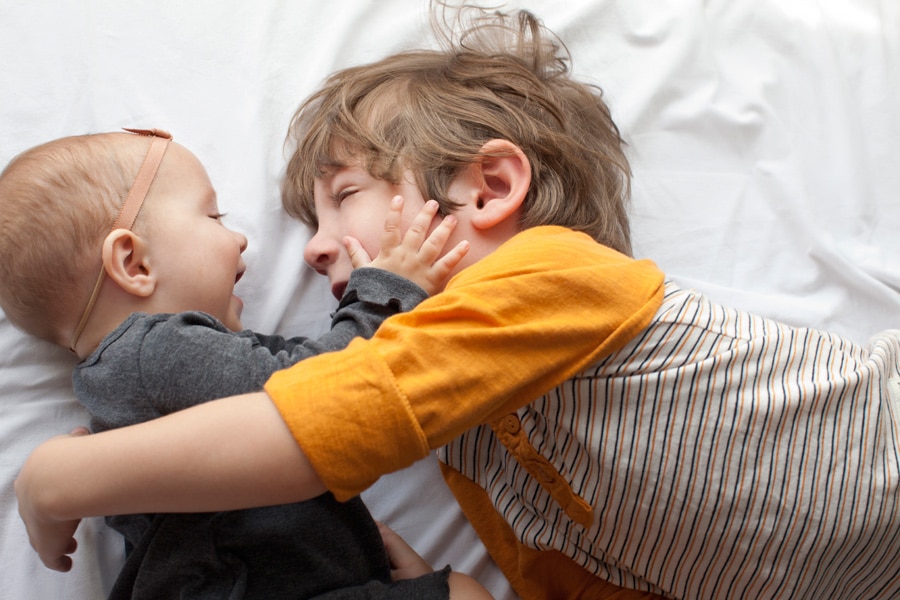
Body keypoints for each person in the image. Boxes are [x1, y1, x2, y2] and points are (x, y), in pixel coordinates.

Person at [14, 4, 900, 600]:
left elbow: (332, 421)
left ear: (490, 188)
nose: (316, 247)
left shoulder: (548, 279)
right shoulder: (464, 438)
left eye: (346, 196)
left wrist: (67, 477)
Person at [0, 129, 492, 599]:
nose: (239, 239)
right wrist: (385, 291)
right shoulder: (156, 352)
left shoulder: (124, 376)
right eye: (213, 218)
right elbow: (323, 384)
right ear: (134, 263)